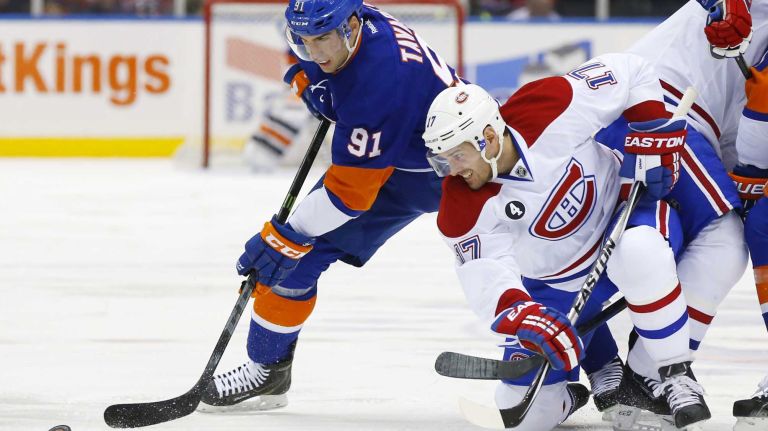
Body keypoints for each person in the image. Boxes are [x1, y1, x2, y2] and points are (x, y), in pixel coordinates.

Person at [422, 49, 719, 429]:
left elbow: (631, 70)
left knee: (639, 251)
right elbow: (485, 271)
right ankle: (586, 379)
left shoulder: (549, 105)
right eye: (443, 160)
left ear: (489, 138)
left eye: (457, 156)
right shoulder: (460, 206)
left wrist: (649, 130)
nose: (451, 171)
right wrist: (524, 314)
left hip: (624, 215)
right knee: (523, 415)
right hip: (557, 279)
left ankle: (671, 374)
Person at [197, 0, 461, 411]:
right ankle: (268, 371)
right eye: (304, 40)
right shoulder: (348, 20)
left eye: (323, 39)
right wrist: (310, 77)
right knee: (299, 259)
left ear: (353, 26)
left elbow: (348, 195)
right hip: (399, 154)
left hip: (439, 171)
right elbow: (310, 55)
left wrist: (284, 237)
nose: (314, 50)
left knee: (542, 256)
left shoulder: (379, 82)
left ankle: (595, 363)